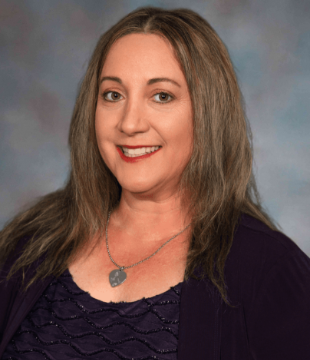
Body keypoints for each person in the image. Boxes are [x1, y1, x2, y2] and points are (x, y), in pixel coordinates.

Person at [0, 6, 310, 360]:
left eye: (161, 96)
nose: (130, 124)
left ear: (208, 114)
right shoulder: (29, 243)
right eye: (113, 95)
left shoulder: (270, 270)